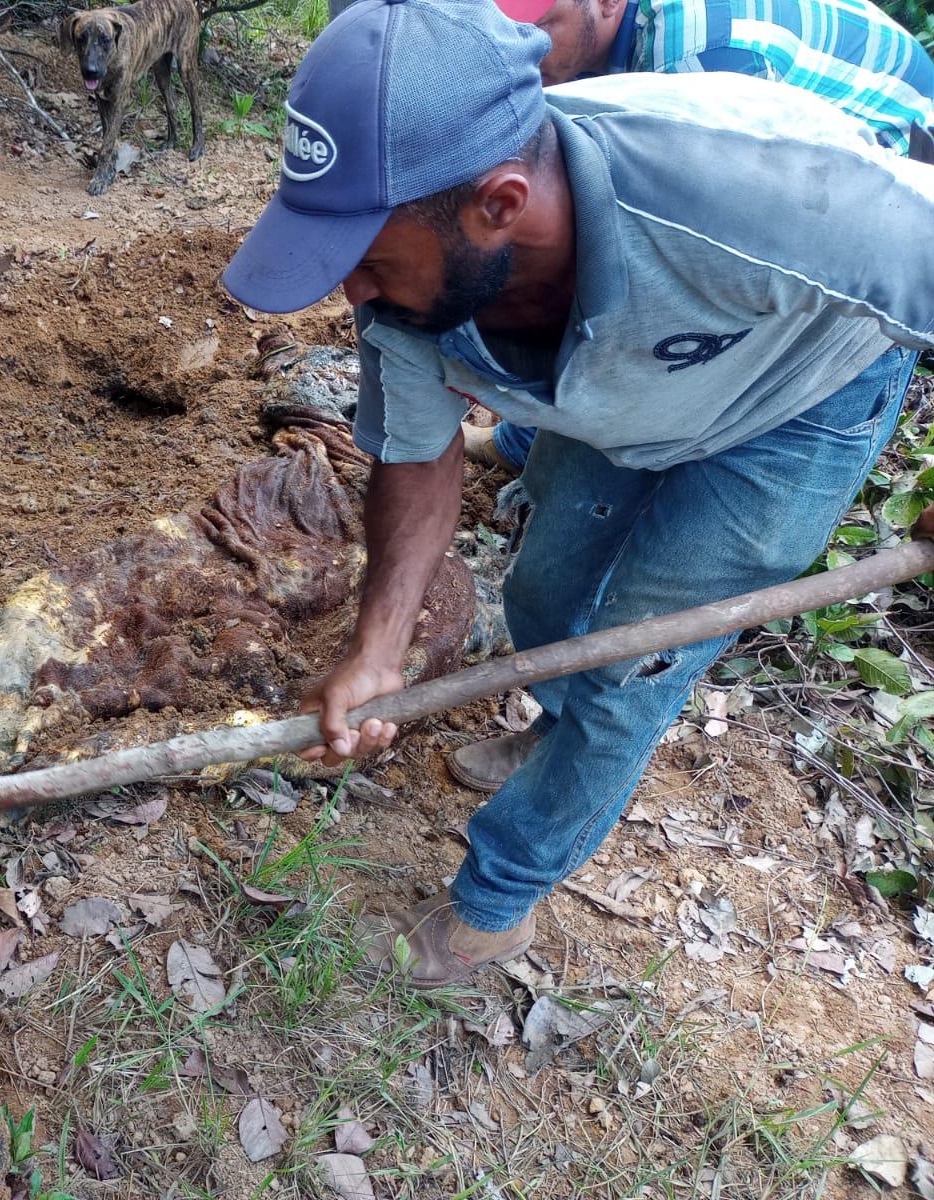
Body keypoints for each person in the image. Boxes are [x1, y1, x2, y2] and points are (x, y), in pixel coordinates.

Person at [222, 0, 934, 986]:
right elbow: (420, 455)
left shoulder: (757, 196)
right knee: (546, 598)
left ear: (499, 203)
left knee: (627, 671)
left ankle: (494, 905)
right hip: (614, 391)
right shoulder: (421, 289)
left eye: (370, 260)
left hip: (794, 402)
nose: (353, 294)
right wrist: (377, 649)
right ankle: (547, 736)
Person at [463, 0, 934, 471]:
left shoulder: (696, 62)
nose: (523, 56)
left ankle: (521, 446)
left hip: (883, 192)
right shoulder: (611, 46)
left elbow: (657, 255)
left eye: (539, 30)